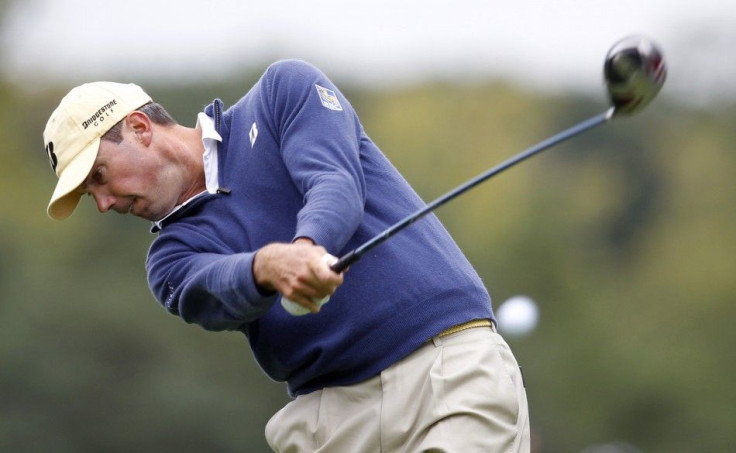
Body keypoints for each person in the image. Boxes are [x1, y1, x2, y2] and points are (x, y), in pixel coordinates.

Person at [43, 60, 530, 452]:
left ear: (139, 127)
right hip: (328, 425)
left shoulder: (281, 94)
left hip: (445, 374)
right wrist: (267, 267)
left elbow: (333, 181)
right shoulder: (168, 257)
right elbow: (215, 289)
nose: (105, 204)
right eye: (90, 195)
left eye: (100, 177)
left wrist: (308, 247)